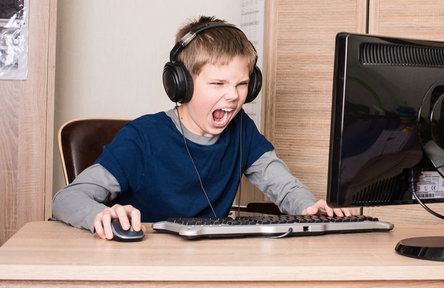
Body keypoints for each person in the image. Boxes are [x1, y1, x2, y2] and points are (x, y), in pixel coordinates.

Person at [52, 16, 350, 240]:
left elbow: (284, 187)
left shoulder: (242, 130)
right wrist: (103, 215)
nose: (233, 96)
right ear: (180, 85)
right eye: (218, 84)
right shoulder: (142, 137)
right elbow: (66, 199)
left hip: (207, 266)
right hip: (144, 264)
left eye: (242, 84)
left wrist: (311, 208)